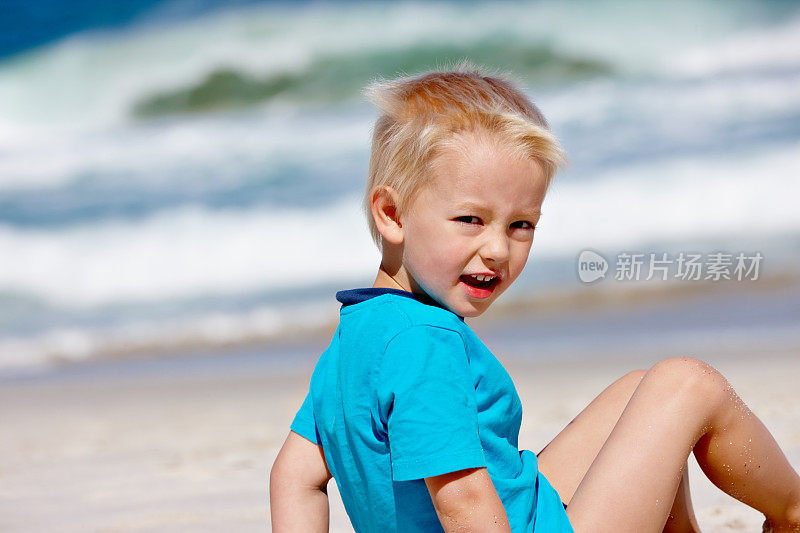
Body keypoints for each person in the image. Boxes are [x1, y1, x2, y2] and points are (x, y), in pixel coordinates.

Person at [269, 63, 800, 532]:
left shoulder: (356, 334)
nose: (498, 249)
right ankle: (791, 515)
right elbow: (463, 499)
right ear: (393, 214)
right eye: (470, 220)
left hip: (523, 508)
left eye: (521, 225)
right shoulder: (424, 342)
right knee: (687, 383)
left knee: (637, 396)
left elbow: (293, 478)